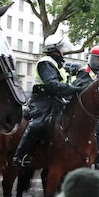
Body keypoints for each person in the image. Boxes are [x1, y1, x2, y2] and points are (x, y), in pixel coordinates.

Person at [12, 32, 80, 166]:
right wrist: (72, 89)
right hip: (42, 99)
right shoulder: (46, 63)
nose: (63, 50)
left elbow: (64, 84)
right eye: (61, 48)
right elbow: (52, 85)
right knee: (39, 123)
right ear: (54, 49)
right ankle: (20, 155)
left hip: (56, 99)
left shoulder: (57, 64)